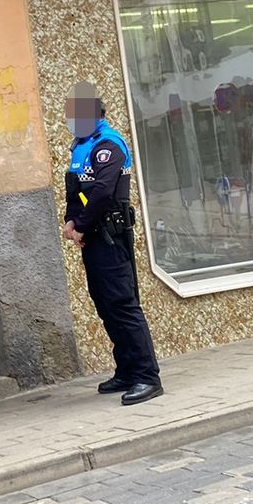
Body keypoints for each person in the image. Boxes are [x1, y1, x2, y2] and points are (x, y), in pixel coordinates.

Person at [63, 83, 162, 405]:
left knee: (122, 304)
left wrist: (80, 226)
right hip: (93, 237)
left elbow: (103, 191)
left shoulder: (109, 144)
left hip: (109, 234)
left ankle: (147, 377)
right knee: (105, 305)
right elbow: (75, 189)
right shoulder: (80, 146)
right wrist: (70, 220)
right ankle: (127, 370)